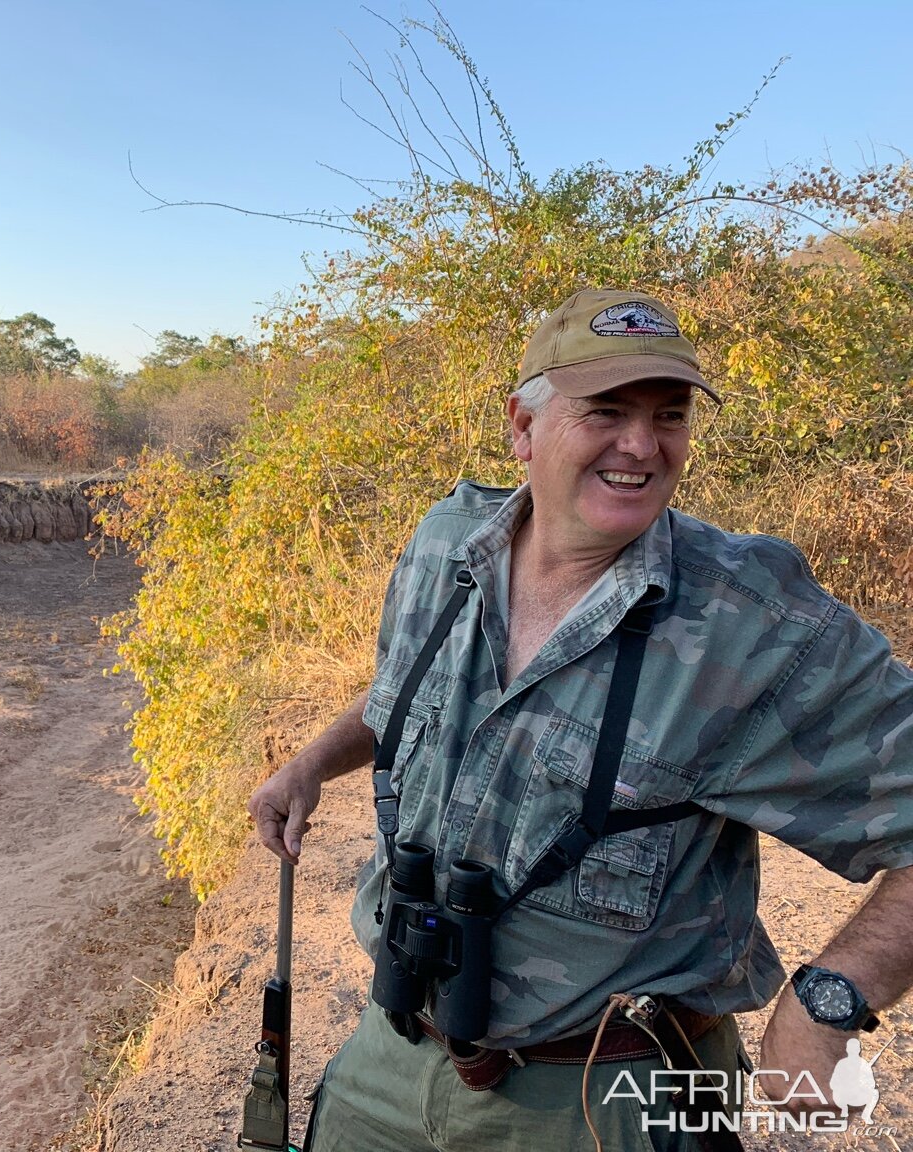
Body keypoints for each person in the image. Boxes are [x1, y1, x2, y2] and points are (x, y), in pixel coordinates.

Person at [248, 288, 913, 1151]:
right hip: (392, 1056)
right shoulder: (448, 543)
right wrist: (314, 761)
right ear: (522, 428)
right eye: (606, 410)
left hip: (608, 1100)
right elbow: (406, 689)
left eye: (668, 415)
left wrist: (828, 999)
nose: (641, 445)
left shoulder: (754, 626)